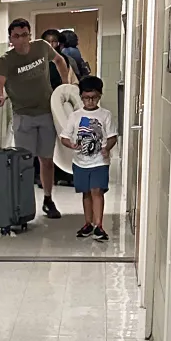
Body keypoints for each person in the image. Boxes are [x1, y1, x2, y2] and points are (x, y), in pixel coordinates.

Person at [0, 18, 71, 219]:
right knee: (25, 162)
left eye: (25, 35)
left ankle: (48, 199)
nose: (21, 40)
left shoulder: (42, 47)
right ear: (10, 38)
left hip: (46, 112)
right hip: (23, 116)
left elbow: (60, 61)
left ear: (30, 34)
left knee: (47, 159)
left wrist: (66, 85)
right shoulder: (6, 60)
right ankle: (23, 204)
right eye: (16, 36)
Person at [59, 75, 118, 242]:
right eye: (86, 98)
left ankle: (99, 225)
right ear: (81, 97)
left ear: (99, 96)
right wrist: (71, 145)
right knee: (86, 193)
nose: (90, 101)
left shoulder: (105, 115)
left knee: (97, 191)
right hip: (80, 162)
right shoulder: (75, 116)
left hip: (99, 162)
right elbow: (64, 137)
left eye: (93, 98)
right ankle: (88, 223)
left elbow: (113, 136)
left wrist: (107, 148)